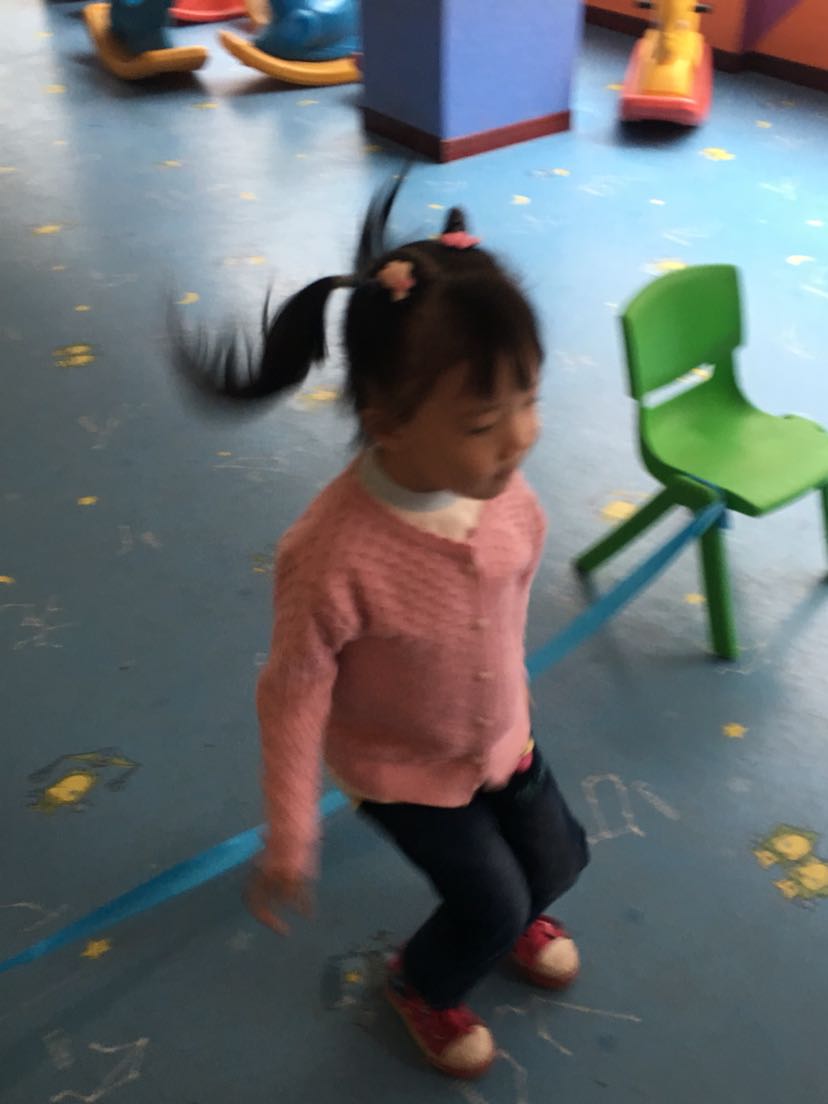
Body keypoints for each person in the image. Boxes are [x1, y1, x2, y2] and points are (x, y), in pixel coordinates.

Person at [170, 175, 589, 1080]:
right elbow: (292, 694)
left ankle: (516, 917)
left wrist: (507, 708)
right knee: (486, 903)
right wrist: (292, 830)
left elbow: (507, 602)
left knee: (560, 857)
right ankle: (422, 985)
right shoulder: (332, 554)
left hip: (503, 739)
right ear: (386, 423)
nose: (520, 438)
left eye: (529, 399)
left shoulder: (506, 493)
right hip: (404, 773)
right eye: (484, 421)